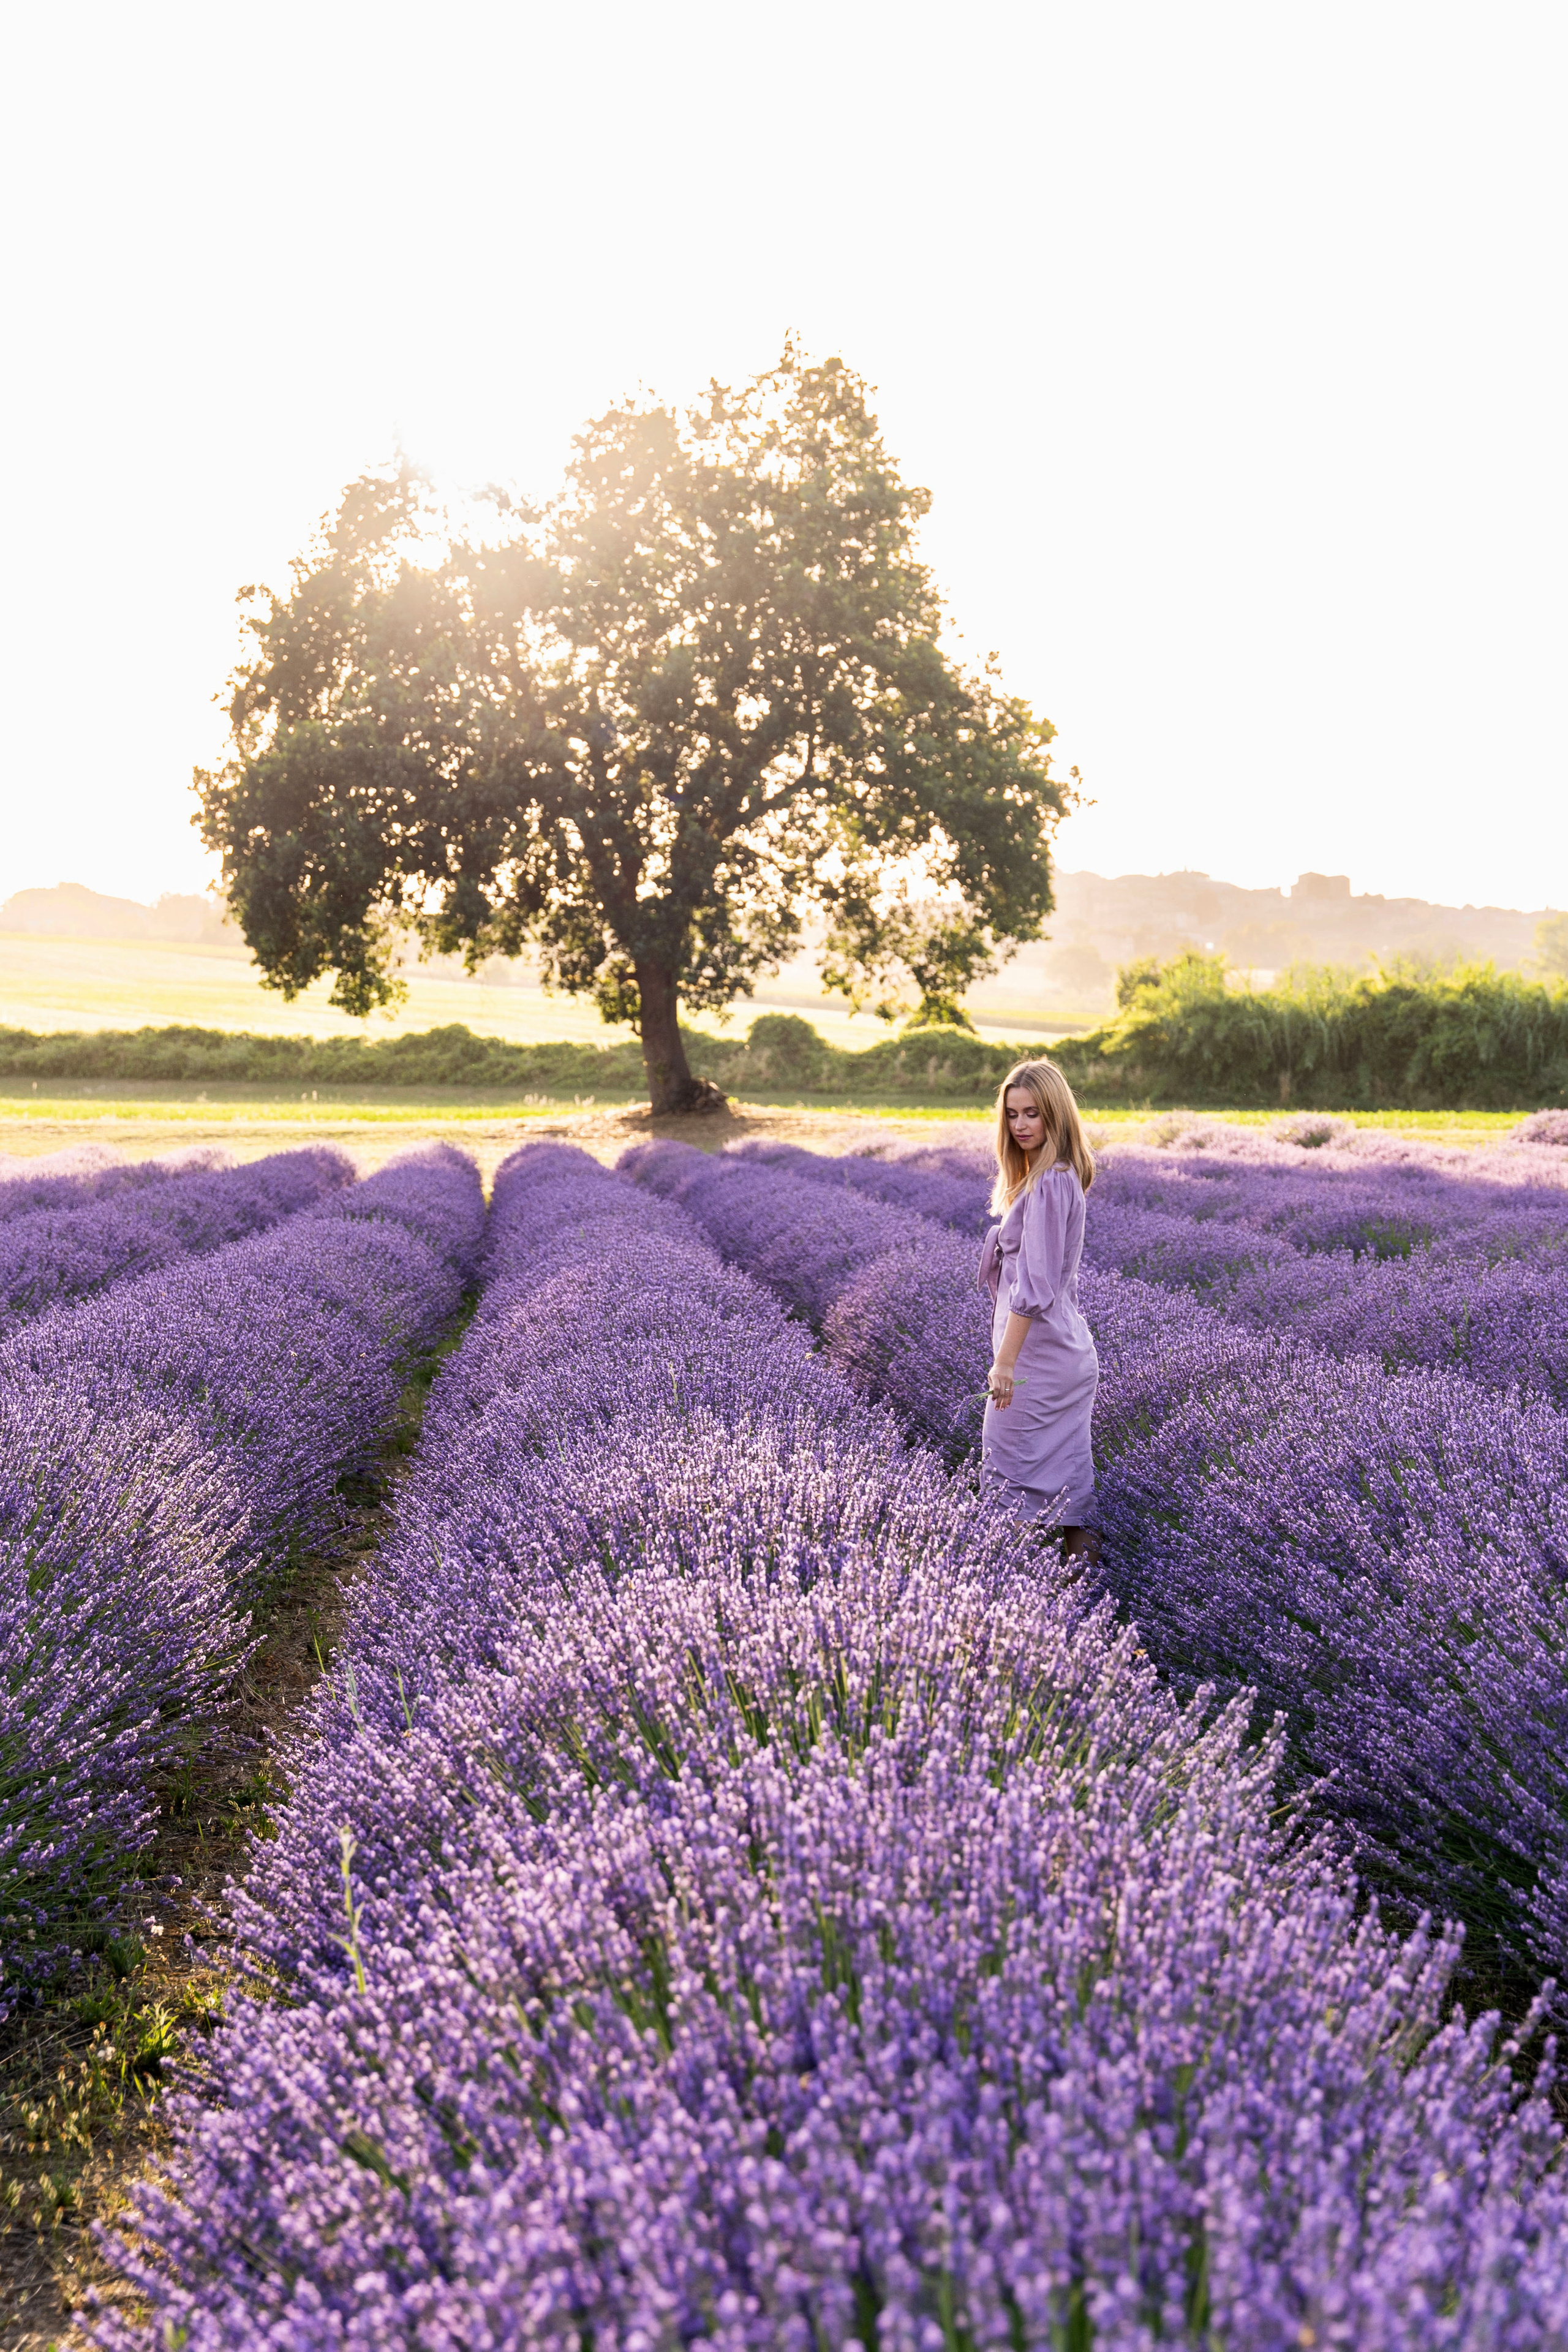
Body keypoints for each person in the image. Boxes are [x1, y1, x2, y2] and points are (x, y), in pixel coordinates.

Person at [978, 1057, 1099, 1559]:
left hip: (1039, 1361)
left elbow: (1034, 1287)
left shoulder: (1050, 1182)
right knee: (1066, 1488)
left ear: (1056, 1114)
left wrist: (1004, 1362)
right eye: (1012, 1114)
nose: (1021, 1125)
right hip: (1056, 1352)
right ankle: (1088, 1605)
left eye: (1033, 1113)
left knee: (1007, 1483)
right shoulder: (1051, 1176)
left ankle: (1019, 1603)